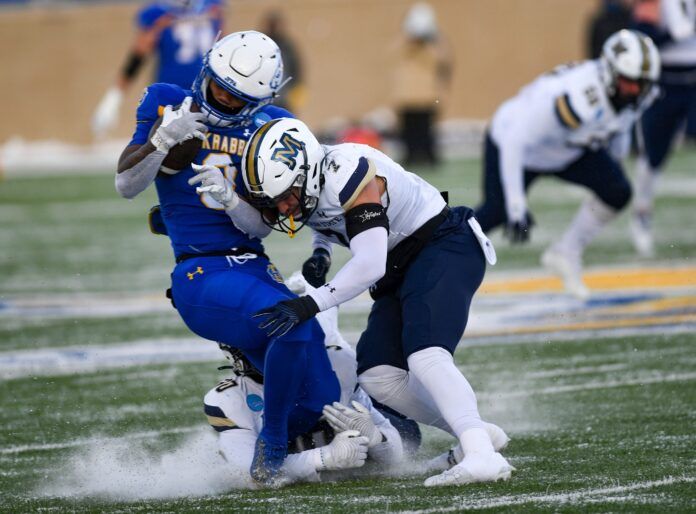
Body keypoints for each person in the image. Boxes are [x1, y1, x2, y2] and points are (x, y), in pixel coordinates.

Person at [227, 115, 511, 487]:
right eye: (275, 202)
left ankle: (481, 457)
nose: (283, 209)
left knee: (425, 354)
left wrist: (310, 304)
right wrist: (321, 251)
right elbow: (326, 218)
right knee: (379, 376)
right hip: (401, 262)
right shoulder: (310, 181)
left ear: (308, 173)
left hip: (442, 244)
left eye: (286, 197)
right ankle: (477, 433)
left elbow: (369, 263)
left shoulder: (349, 172)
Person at [114, 30, 340, 486]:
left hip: (255, 264)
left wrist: (235, 203)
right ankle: (272, 446)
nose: (221, 99)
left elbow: (267, 224)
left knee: (319, 398)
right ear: (206, 70)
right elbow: (127, 185)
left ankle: (238, 414)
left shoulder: (272, 124)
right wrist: (160, 143)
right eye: (217, 86)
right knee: (290, 321)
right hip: (201, 271)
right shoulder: (168, 101)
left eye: (235, 98)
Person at [474, 30, 660, 298]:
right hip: (516, 145)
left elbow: (623, 122)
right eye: (630, 83)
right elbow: (515, 140)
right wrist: (516, 205)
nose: (636, 91)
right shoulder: (577, 97)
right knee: (496, 212)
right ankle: (437, 250)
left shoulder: (637, 93)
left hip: (569, 148)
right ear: (610, 72)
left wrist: (616, 158)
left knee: (617, 190)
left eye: (641, 84)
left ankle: (565, 252)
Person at [203, 276, 405, 487]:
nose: (280, 351)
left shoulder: (339, 364)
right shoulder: (228, 399)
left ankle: (315, 303)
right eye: (266, 345)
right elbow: (252, 474)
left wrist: (377, 438)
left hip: (330, 361)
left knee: (410, 434)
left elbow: (395, 457)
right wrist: (324, 458)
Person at [92, 0, 224, 138]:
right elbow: (139, 55)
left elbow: (222, 47)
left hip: (203, 91)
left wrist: (114, 97)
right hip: (176, 94)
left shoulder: (212, 6)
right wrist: (114, 97)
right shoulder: (158, 12)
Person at [630, 0, 696, 256]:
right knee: (654, 156)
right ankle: (642, 211)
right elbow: (642, 35)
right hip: (664, 82)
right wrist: (671, 33)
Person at [392, 2, 452, 167]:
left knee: (426, 131)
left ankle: (429, 156)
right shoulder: (405, 45)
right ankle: (411, 156)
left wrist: (433, 37)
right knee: (409, 133)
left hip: (426, 96)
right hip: (407, 97)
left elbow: (445, 61)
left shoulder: (434, 47)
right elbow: (394, 53)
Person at [261, 10, 306, 114]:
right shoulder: (262, 42)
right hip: (262, 96)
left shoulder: (288, 46)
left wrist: (296, 92)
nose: (274, 27)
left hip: (284, 97)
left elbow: (296, 69)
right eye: (271, 24)